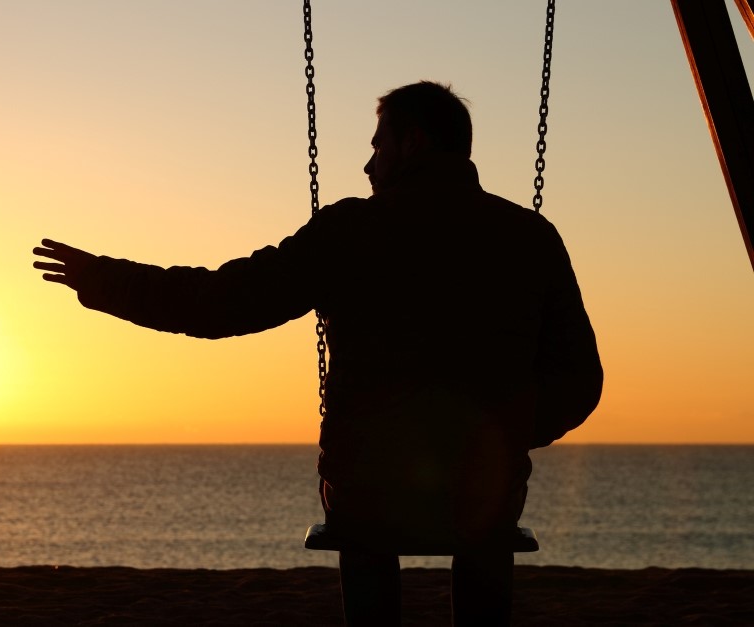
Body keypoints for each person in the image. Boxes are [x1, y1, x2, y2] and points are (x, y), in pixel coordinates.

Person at [32, 81, 603, 626]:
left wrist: (103, 279)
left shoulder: (353, 230)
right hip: (483, 487)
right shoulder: (531, 236)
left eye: (378, 144)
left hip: (371, 490)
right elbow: (581, 379)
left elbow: (221, 303)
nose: (368, 164)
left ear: (413, 143)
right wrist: (503, 431)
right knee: (485, 507)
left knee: (366, 504)